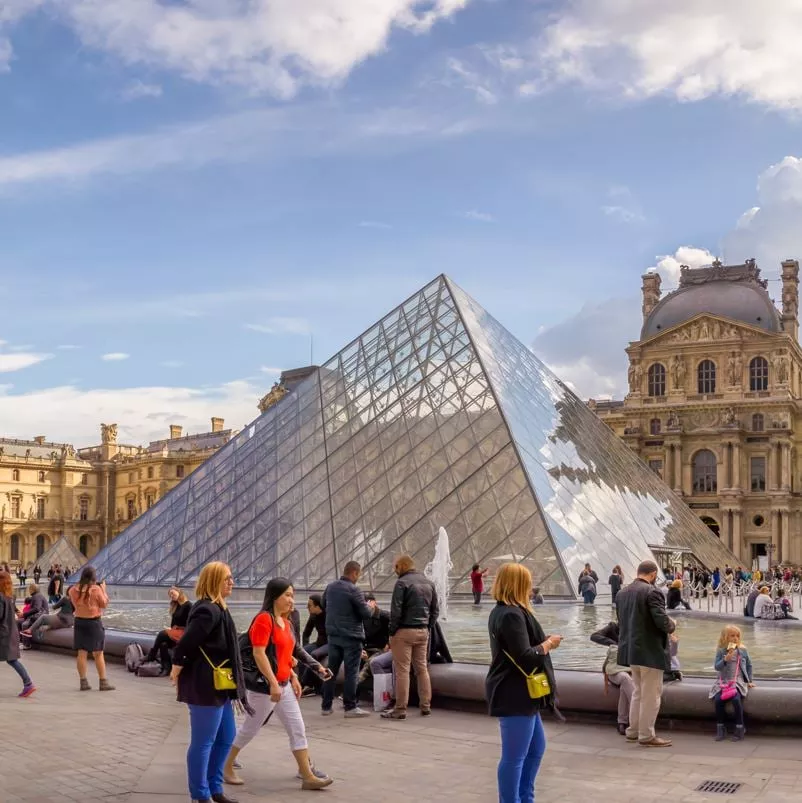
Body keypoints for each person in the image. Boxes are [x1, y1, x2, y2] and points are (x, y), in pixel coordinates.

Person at [223, 578, 333, 791]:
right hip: (266, 688)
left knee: (297, 728)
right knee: (249, 729)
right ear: (275, 597)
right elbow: (259, 653)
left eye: (292, 595)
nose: (292, 600)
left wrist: (309, 670)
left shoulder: (287, 622)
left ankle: (307, 775)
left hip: (284, 686)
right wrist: (273, 683)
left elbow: (292, 651)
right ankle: (224, 765)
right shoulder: (264, 620)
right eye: (288, 595)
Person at [170, 562, 251, 803]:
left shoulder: (219, 609)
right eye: (227, 578)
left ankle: (215, 789)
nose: (232, 582)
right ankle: (201, 794)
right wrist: (177, 666)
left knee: (227, 736)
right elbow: (187, 643)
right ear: (214, 581)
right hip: (205, 685)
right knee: (203, 742)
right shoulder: (207, 610)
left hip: (220, 685)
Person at [487, 563, 561, 803]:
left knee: (535, 748)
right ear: (518, 585)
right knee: (514, 757)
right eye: (527, 583)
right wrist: (548, 644)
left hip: (519, 691)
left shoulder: (505, 611)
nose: (531, 587)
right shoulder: (511, 614)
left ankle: (524, 798)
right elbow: (526, 658)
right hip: (514, 692)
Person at [616, 559, 675, 747]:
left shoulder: (622, 593)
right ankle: (647, 735)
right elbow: (661, 621)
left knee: (638, 693)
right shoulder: (652, 591)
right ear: (653, 574)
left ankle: (632, 731)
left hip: (631, 651)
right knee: (651, 696)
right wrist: (672, 625)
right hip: (650, 652)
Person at [382, 554, 438, 721]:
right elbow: (435, 611)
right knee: (422, 669)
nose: (394, 571)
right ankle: (426, 706)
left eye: (396, 567)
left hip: (404, 632)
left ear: (402, 566)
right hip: (422, 631)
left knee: (402, 671)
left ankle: (400, 709)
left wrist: (392, 633)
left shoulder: (401, 583)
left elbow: (396, 612)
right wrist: (427, 626)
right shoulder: (429, 583)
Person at [321, 560, 377, 718]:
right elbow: (365, 614)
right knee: (352, 672)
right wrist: (371, 607)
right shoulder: (354, 590)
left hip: (333, 636)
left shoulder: (330, 587)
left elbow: (323, 604)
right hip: (351, 637)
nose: (359, 577)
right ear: (354, 573)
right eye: (359, 574)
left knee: (330, 670)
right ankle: (350, 707)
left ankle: (326, 706)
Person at [68, 567, 115, 692]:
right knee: (98, 653)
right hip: (94, 623)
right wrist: (104, 590)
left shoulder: (73, 590)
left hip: (79, 622)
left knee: (81, 653)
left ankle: (83, 682)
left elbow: (74, 604)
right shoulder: (96, 589)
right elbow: (104, 604)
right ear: (93, 577)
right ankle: (103, 682)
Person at [710, 625, 754, 741]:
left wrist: (749, 680)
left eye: (737, 636)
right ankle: (721, 727)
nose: (735, 638)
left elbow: (749, 665)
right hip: (724, 681)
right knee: (718, 700)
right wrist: (725, 659)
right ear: (725, 637)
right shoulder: (721, 650)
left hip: (737, 680)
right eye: (732, 636)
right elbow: (716, 667)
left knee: (736, 699)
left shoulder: (742, 650)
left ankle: (740, 727)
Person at [590, 620, 633, 735]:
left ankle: (622, 722)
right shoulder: (613, 627)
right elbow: (594, 636)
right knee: (625, 678)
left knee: (626, 684)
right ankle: (638, 715)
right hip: (615, 669)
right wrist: (613, 643)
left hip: (631, 669)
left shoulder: (638, 628)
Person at [0, 570, 36, 697]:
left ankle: (28, 683)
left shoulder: (1, 597)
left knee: (12, 660)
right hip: (11, 631)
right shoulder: (10, 597)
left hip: (3, 633)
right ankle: (28, 683)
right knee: (12, 660)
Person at [145, 587, 192, 672]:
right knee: (163, 644)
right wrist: (171, 629)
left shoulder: (188, 605)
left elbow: (190, 623)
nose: (171, 596)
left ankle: (151, 655)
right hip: (176, 632)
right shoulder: (176, 605)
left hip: (183, 633)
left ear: (179, 592)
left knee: (161, 634)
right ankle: (166, 668)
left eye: (173, 593)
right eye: (170, 595)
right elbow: (173, 623)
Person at [299, 593, 328, 696]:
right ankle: (301, 684)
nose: (307, 607)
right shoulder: (313, 616)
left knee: (314, 654)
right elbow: (306, 633)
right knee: (302, 653)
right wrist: (305, 647)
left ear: (317, 606)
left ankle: (305, 684)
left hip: (331, 643)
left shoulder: (329, 615)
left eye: (309, 605)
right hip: (319, 643)